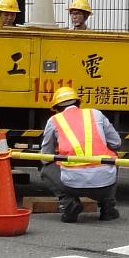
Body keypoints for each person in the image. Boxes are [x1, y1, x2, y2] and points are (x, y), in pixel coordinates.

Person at [40, 86, 121, 223]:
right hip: (104, 182)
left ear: (57, 108)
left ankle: (69, 204)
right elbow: (116, 143)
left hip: (71, 183)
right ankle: (108, 207)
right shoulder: (96, 114)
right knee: (113, 157)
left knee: (46, 169)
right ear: (78, 103)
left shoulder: (54, 120)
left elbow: (45, 156)